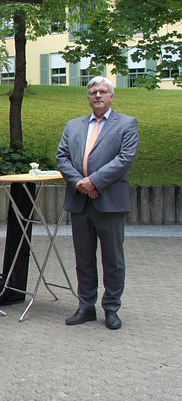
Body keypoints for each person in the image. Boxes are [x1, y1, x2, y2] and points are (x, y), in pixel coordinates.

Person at [56, 76, 139, 330]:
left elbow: (125, 159)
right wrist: (81, 183)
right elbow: (62, 157)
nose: (98, 95)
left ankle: (112, 308)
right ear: (88, 97)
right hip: (80, 201)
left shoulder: (126, 124)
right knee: (83, 258)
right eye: (93, 92)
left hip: (110, 202)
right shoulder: (73, 126)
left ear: (112, 96)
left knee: (113, 259)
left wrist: (94, 182)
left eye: (103, 91)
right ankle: (86, 306)